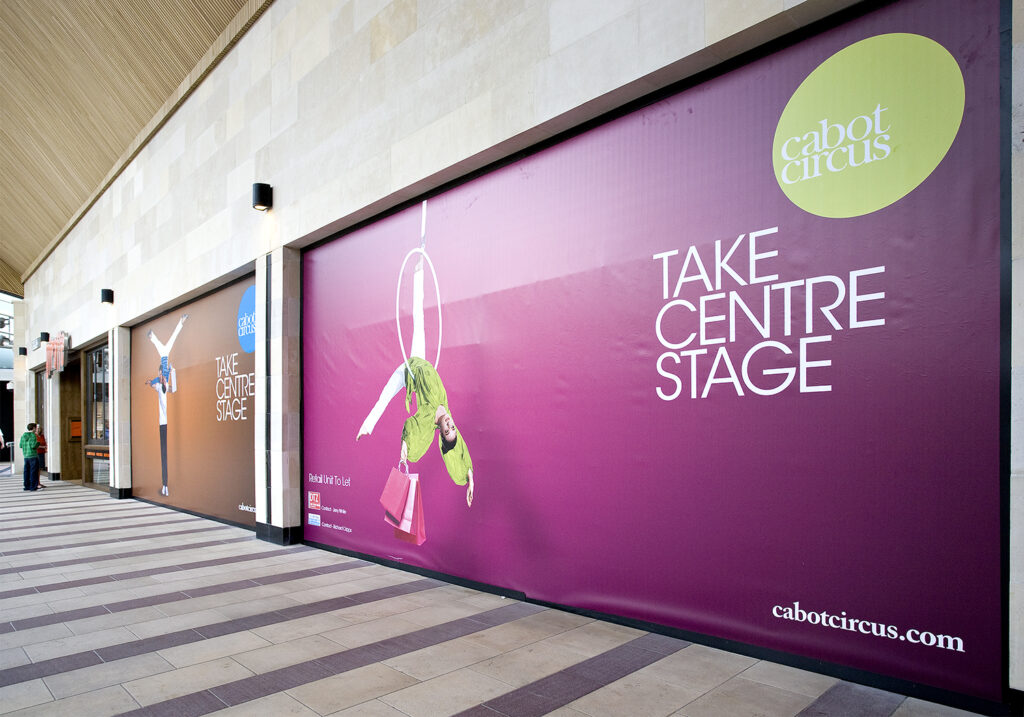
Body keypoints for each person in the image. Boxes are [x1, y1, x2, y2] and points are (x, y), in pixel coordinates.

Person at [357, 249, 474, 507]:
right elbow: (459, 449)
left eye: (446, 429)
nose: (450, 424)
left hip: (407, 373)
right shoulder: (446, 408)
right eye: (453, 427)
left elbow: (411, 428)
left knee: (385, 395)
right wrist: (470, 478)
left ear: (441, 432)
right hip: (418, 361)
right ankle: (418, 270)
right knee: (418, 318)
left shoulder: (428, 419)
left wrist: (404, 450)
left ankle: (367, 425)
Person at [147, 314, 188, 496]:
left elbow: (174, 389)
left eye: (162, 374)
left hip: (167, 423)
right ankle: (165, 485)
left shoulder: (166, 382)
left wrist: (173, 372)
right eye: (161, 374)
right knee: (164, 454)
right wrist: (153, 381)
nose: (162, 375)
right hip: (162, 423)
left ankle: (166, 485)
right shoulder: (159, 385)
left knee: (166, 454)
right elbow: (155, 383)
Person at [20, 423, 39, 491]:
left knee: (26, 471)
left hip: (26, 456)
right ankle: (33, 487)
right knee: (33, 472)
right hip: (33, 455)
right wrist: (38, 443)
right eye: (36, 428)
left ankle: (26, 486)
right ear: (33, 428)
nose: (36, 429)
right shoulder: (33, 435)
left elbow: (20, 445)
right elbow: (33, 446)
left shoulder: (23, 436)